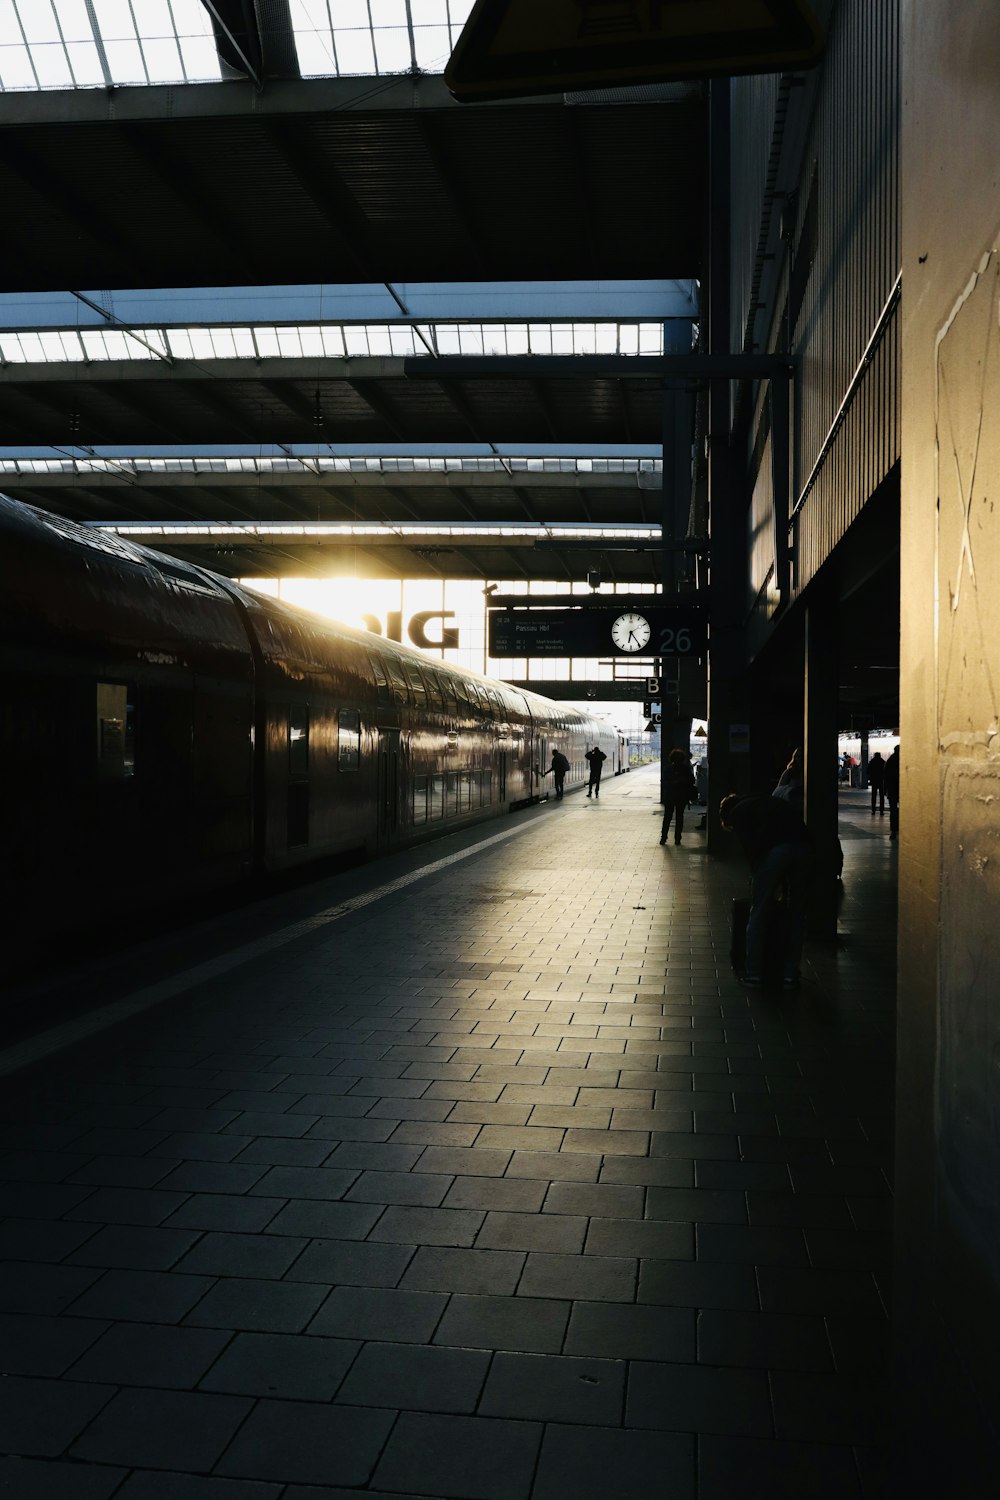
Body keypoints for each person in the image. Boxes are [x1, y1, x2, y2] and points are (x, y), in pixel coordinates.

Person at [719, 791, 814, 988]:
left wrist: (758, 880)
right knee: (797, 913)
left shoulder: (739, 812)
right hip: (804, 849)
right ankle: (790, 974)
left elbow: (752, 850)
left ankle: (754, 974)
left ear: (726, 814)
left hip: (776, 853)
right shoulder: (766, 800)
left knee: (759, 910)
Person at [659, 747, 696, 845]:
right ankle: (677, 839)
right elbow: (692, 781)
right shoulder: (686, 769)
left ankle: (663, 838)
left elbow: (664, 782)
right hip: (681, 796)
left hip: (670, 796)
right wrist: (682, 782)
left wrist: (673, 783)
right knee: (679, 817)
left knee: (667, 817)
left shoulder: (667, 769)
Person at [884, 744, 900, 838]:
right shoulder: (905, 760)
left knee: (893, 811)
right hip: (902, 790)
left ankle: (894, 831)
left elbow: (885, 776)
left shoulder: (890, 760)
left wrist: (885, 789)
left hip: (892, 790)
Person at [868, 750, 886, 815]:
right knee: (881, 797)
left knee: (873, 796)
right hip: (881, 781)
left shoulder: (872, 762)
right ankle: (881, 811)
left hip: (874, 781)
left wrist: (870, 778)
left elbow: (868, 771)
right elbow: (885, 772)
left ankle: (873, 810)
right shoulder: (883, 762)